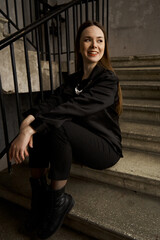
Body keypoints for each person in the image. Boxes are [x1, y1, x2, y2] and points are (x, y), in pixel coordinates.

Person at [9, 20, 123, 239]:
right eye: (87, 39)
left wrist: (30, 129)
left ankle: (58, 200)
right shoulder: (73, 80)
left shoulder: (108, 80)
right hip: (78, 141)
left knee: (56, 124)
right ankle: (38, 196)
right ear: (79, 46)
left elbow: (73, 107)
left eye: (99, 41)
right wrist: (26, 124)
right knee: (45, 125)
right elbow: (50, 103)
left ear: (104, 46)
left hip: (104, 147)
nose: (94, 45)